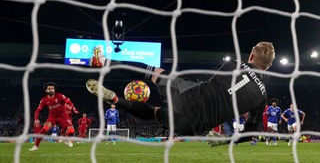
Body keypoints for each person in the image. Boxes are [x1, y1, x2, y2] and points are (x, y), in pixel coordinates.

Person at [86, 42, 275, 142]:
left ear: (250, 55)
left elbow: (217, 87)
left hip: (189, 96)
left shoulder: (234, 63)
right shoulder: (262, 96)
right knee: (153, 113)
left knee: (152, 71)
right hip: (194, 128)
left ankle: (102, 60)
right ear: (268, 67)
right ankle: (115, 99)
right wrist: (225, 141)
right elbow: (249, 134)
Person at [29, 82, 77, 151]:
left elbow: (69, 102)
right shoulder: (44, 100)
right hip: (52, 117)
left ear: (54, 90)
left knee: (71, 131)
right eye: (49, 89)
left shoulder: (60, 96)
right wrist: (36, 119)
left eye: (52, 89)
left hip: (63, 116)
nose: (51, 90)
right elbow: (38, 110)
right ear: (46, 90)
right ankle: (36, 146)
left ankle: (67, 139)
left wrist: (71, 106)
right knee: (44, 129)